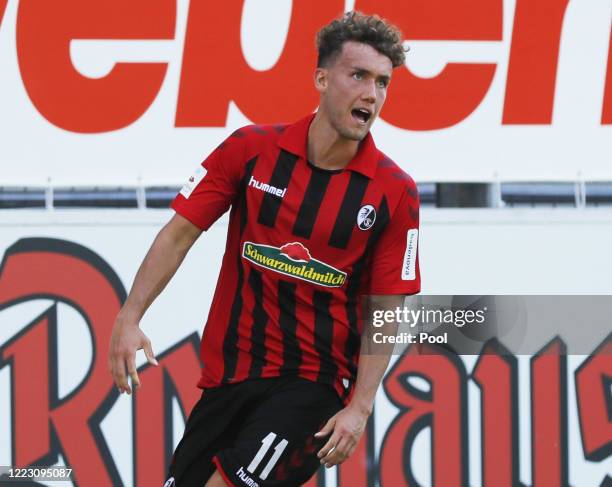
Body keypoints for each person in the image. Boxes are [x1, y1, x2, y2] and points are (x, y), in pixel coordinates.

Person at [109, 11, 420, 487]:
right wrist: (129, 317)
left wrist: (360, 405)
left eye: (382, 82)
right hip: (228, 379)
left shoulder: (394, 191)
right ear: (320, 78)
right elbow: (178, 234)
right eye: (358, 76)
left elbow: (387, 305)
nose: (371, 94)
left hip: (314, 387)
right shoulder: (250, 150)